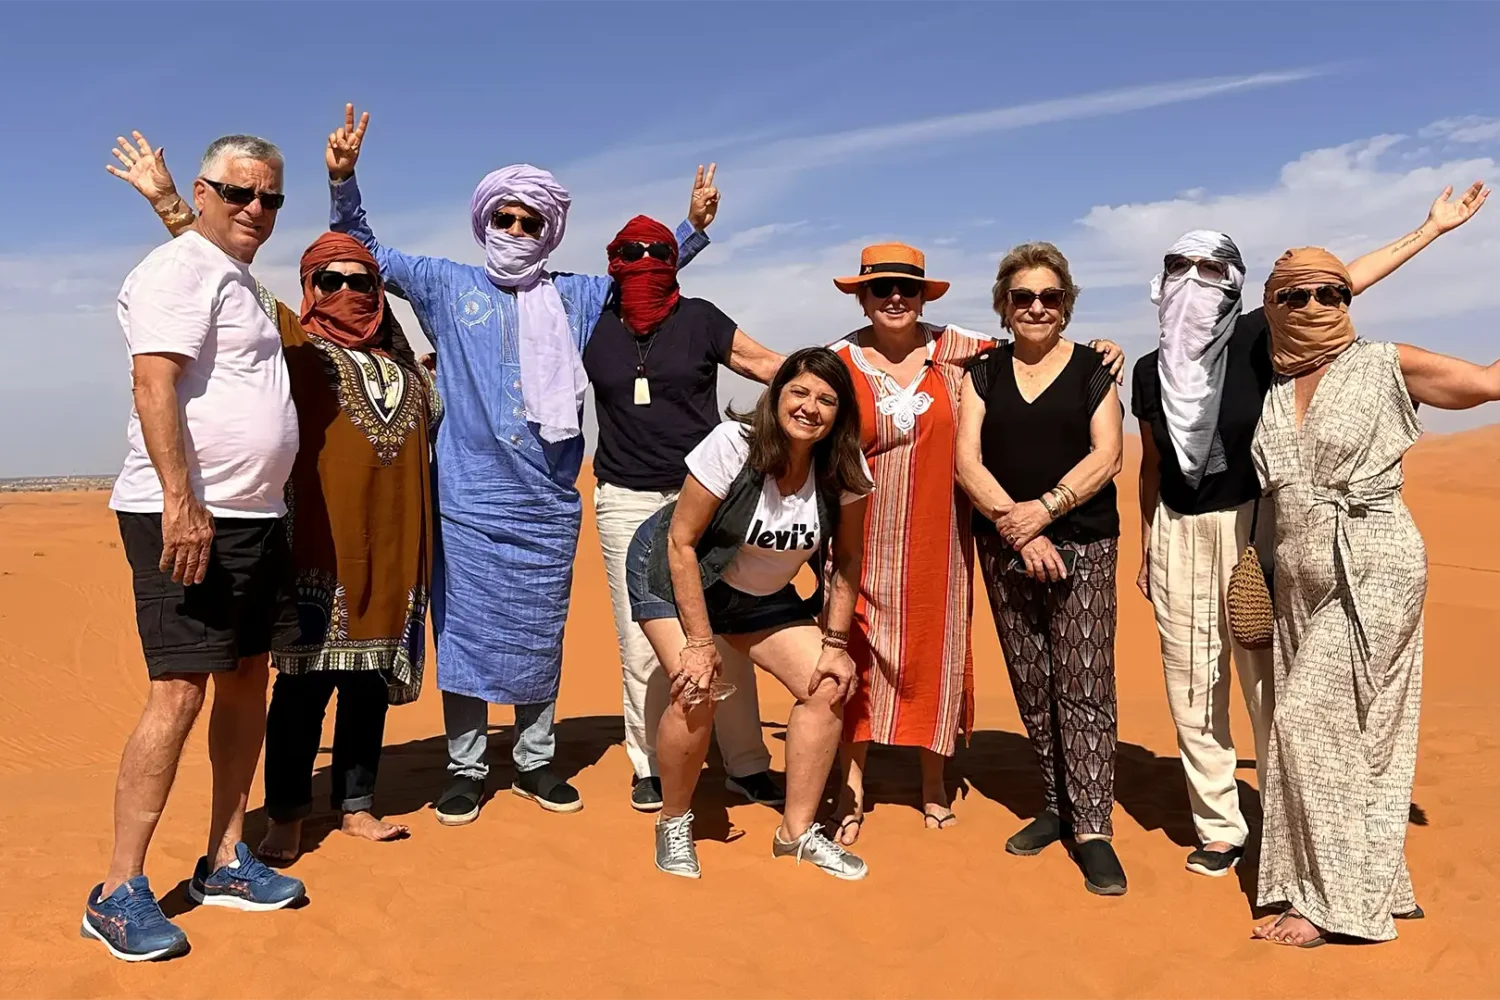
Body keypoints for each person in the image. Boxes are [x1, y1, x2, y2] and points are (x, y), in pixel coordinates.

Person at [322, 105, 721, 823]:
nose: (514, 231)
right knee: (466, 634)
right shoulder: (446, 285)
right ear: (483, 223)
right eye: (502, 218)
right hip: (467, 499)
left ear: (548, 230)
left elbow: (645, 280)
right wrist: (343, 180)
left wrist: (690, 229)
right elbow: (365, 248)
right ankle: (466, 767)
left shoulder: (571, 294)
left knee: (540, 633)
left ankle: (536, 761)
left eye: (528, 222)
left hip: (545, 501)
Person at [1132, 184, 1489, 879]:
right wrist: (1150, 540)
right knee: (1190, 685)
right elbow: (1150, 462)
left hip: (1256, 531)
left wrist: (1431, 229)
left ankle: (1287, 821)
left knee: (1270, 683)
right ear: (1164, 279)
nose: (1198, 284)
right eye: (1183, 268)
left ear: (1238, 282)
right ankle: (1220, 826)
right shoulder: (1150, 371)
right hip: (1176, 530)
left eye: (1216, 269)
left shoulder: (1262, 334)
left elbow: (1336, 282)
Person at [107, 133, 446, 863]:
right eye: (331, 280)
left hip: (389, 559)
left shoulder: (410, 370)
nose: (348, 292)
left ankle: (356, 805)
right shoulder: (291, 340)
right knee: (298, 687)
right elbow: (226, 274)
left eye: (362, 281)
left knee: (366, 689)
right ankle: (285, 815)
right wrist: (171, 202)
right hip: (310, 551)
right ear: (308, 290)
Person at [83, 134, 306, 963]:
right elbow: (154, 382)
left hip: (255, 517)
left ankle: (223, 859)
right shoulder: (177, 269)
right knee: (178, 691)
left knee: (247, 677)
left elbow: (207, 236)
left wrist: (175, 200)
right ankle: (116, 890)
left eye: (271, 198)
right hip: (188, 515)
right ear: (208, 194)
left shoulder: (230, 274)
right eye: (240, 193)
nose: (256, 209)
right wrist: (183, 503)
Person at [827, 243, 1123, 844]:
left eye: (906, 289)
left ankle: (942, 785)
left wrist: (1104, 348)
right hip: (864, 537)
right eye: (880, 288)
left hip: (946, 538)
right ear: (861, 295)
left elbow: (1090, 427)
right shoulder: (838, 361)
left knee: (947, 656)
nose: (894, 299)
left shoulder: (957, 349)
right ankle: (850, 791)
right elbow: (796, 401)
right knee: (855, 656)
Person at [1250, 246, 1500, 947]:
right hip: (1297, 569)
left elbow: (1485, 382)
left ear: (1348, 301)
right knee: (1363, 735)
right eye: (1295, 297)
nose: (1316, 308)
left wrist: (1433, 230)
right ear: (1272, 304)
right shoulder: (1271, 382)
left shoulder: (1386, 363)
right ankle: (1379, 883)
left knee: (1304, 722)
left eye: (1332, 294)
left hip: (1377, 557)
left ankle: (1332, 908)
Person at [628, 348, 873, 879]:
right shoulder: (733, 445)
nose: (810, 408)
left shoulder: (844, 470)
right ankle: (673, 820)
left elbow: (847, 559)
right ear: (777, 394)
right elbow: (682, 541)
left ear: (841, 413)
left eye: (827, 399)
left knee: (826, 684)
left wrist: (834, 645)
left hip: (761, 596)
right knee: (696, 689)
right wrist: (698, 644)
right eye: (800, 392)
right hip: (675, 574)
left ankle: (797, 835)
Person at [584, 213, 786, 812]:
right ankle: (650, 764)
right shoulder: (590, 321)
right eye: (629, 253)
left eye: (659, 252)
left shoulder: (699, 318)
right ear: (612, 260)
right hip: (624, 497)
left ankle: (746, 764)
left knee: (723, 628)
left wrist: (851, 375)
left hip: (703, 497)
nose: (643, 262)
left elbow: (766, 366)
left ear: (674, 261)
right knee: (642, 640)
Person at [956, 242, 1128, 896]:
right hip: (1006, 548)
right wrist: (1016, 525)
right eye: (1023, 297)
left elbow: (1107, 455)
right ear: (1004, 306)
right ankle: (1057, 804)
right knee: (1033, 681)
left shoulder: (1092, 370)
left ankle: (1093, 828)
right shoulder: (983, 375)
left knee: (1083, 682)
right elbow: (967, 461)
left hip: (1083, 542)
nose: (1035, 307)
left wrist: (1045, 511)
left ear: (1066, 307)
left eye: (1049, 298)